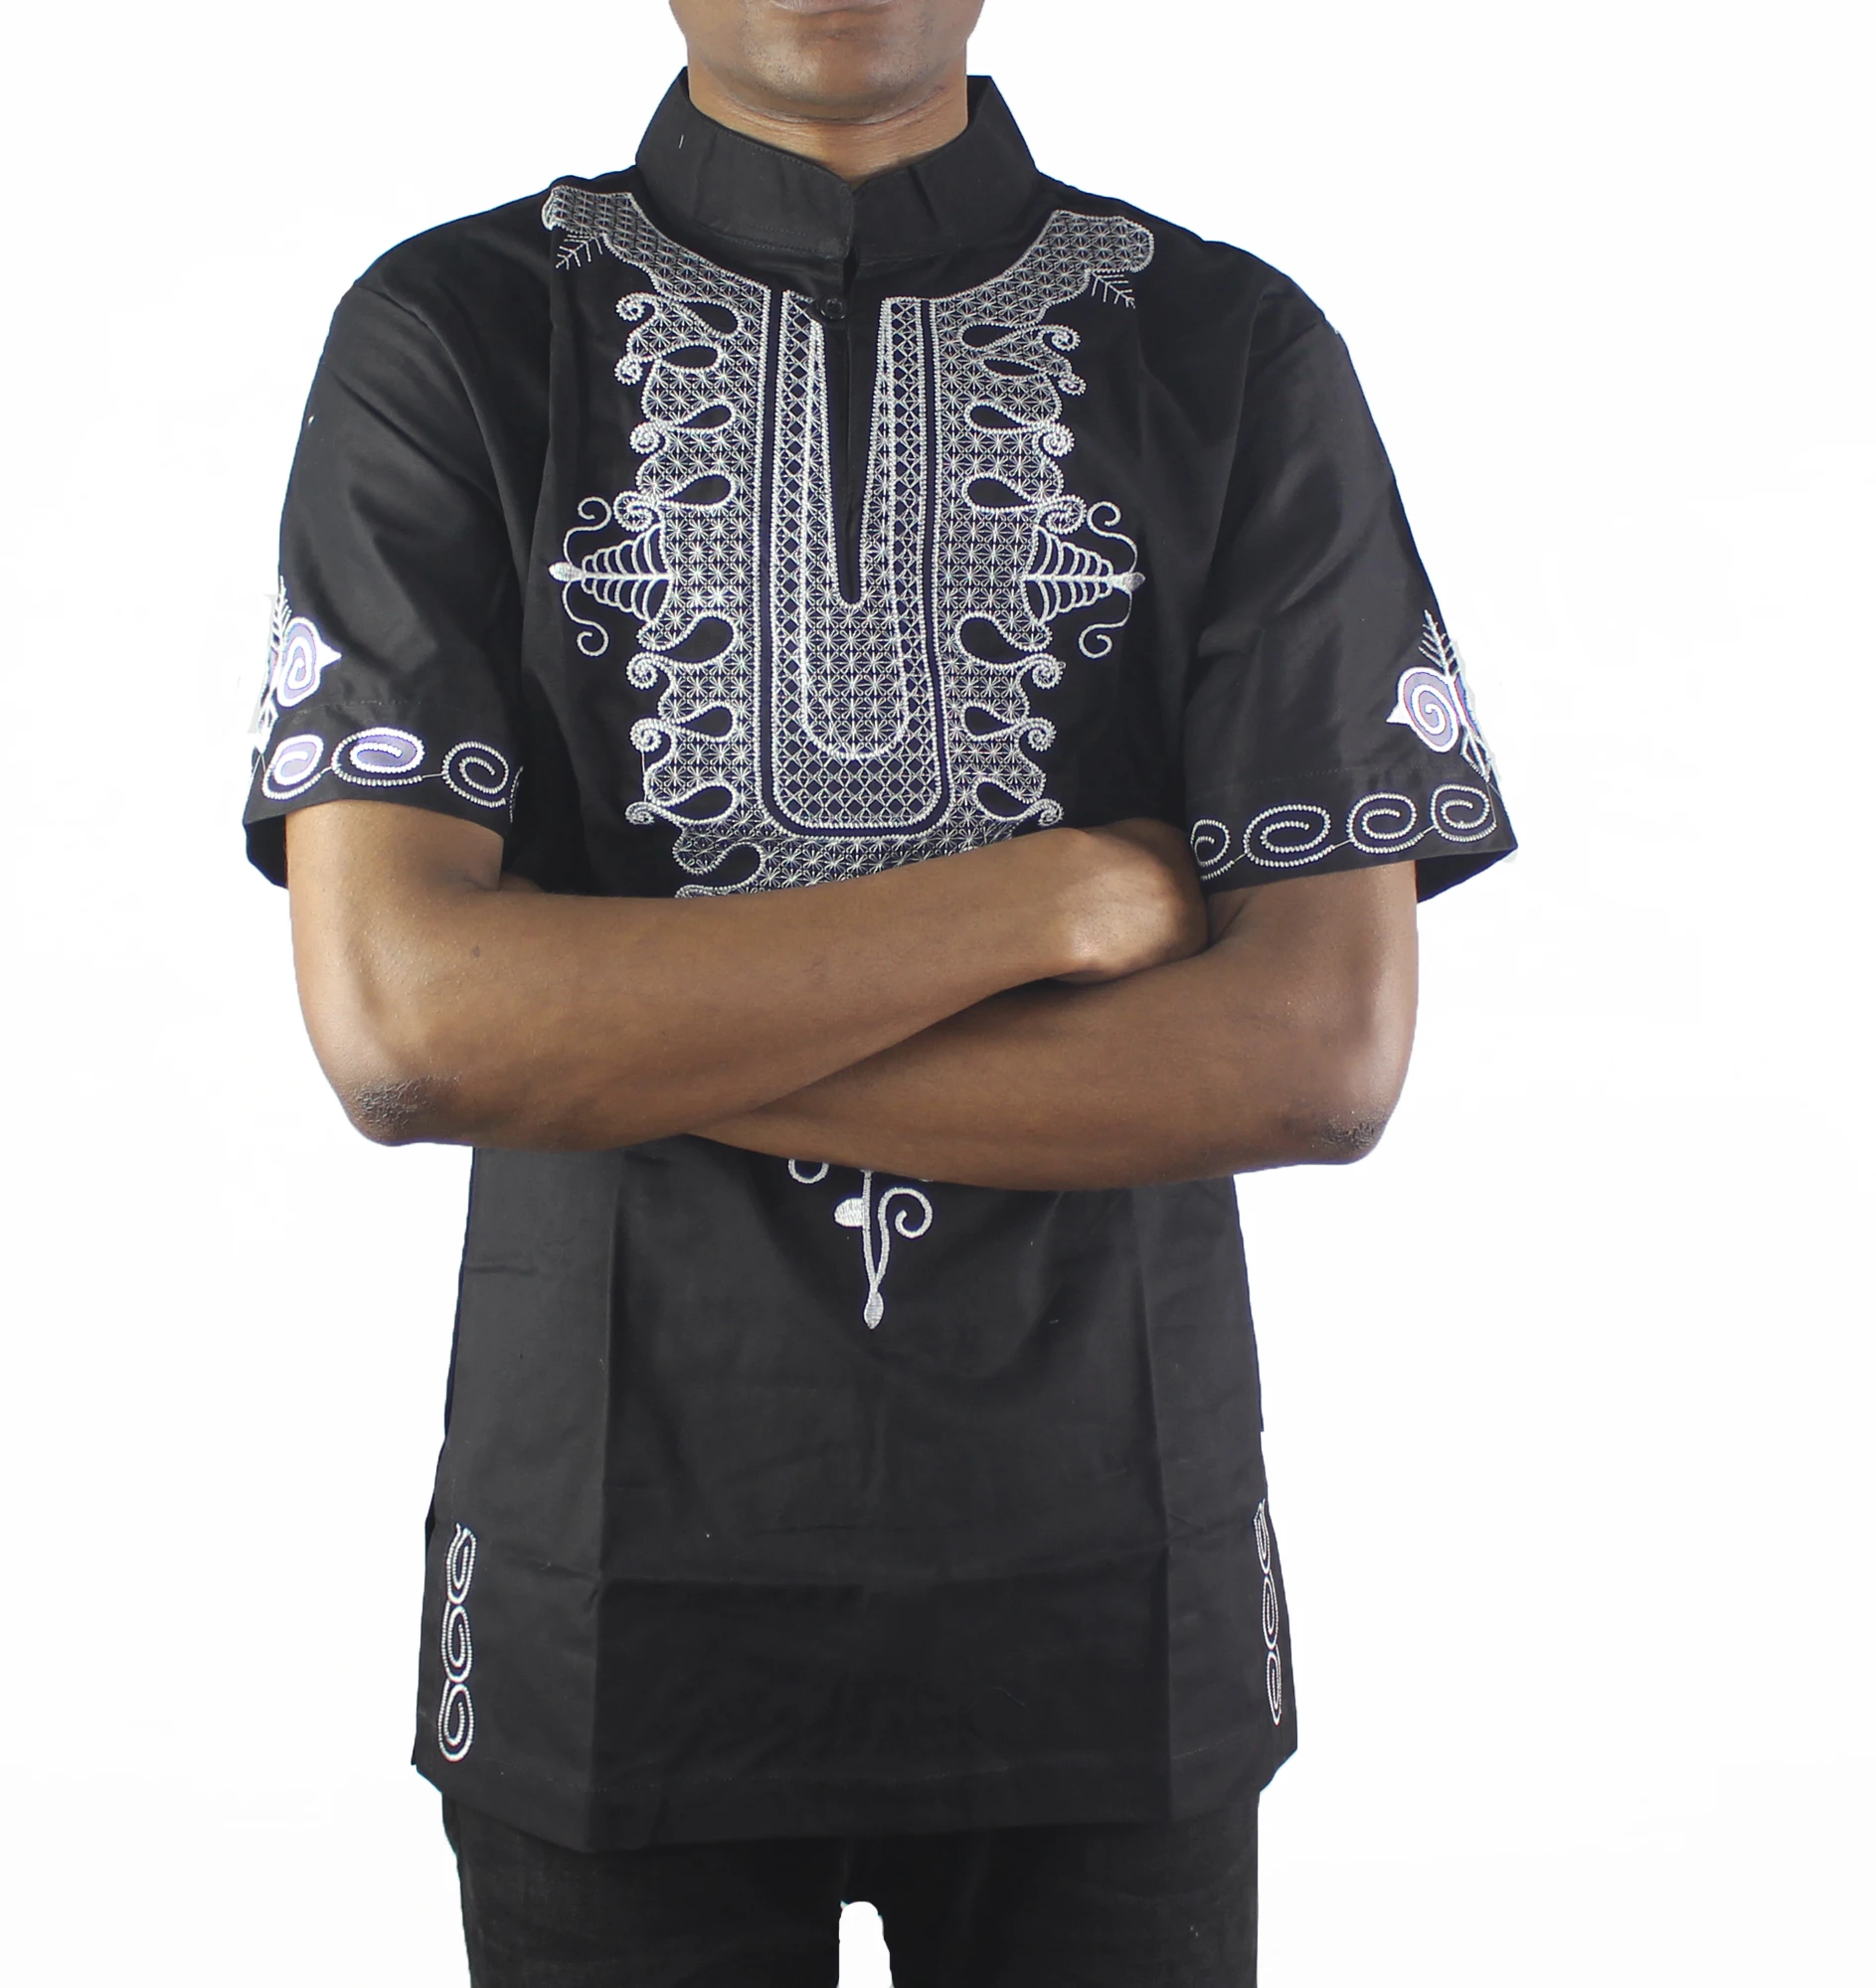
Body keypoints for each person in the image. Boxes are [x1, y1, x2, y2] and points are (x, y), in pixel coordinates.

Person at [244, 1, 1514, 1979]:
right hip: (610, 1606)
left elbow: (1316, 1058)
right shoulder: (464, 335)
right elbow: (410, 1030)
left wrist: (588, 1038)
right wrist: (1041, 901)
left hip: (1108, 1595)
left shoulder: (1228, 351)